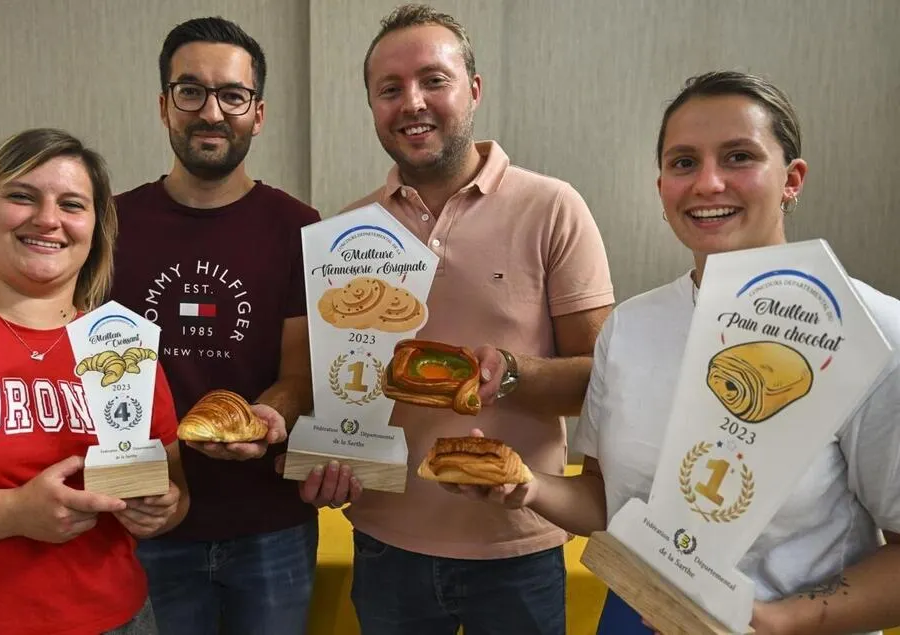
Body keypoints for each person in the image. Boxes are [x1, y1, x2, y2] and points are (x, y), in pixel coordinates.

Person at [445, 71, 900, 635]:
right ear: (662, 186)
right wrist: (527, 484)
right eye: (684, 162)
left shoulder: (873, 334)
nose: (708, 183)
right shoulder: (632, 327)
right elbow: (607, 501)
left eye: (738, 157)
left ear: (792, 179)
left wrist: (777, 621)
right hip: (636, 616)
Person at [295, 4, 615, 634]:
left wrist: (509, 375)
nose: (411, 102)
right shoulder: (349, 231)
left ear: (474, 89)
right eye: (390, 89)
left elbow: (602, 386)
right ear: (372, 106)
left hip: (518, 542)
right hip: (386, 544)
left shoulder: (552, 207)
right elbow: (341, 386)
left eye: (433, 80)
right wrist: (327, 458)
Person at [0, 128, 189, 635]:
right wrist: (14, 512)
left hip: (119, 621)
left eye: (72, 204)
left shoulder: (123, 345)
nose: (47, 219)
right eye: (22, 196)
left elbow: (174, 493)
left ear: (96, 227)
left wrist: (160, 510)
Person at [107, 16, 321, 635]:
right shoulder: (108, 226)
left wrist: (270, 414)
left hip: (270, 524)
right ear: (164, 106)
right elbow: (94, 374)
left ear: (258, 113)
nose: (211, 112)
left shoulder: (299, 227)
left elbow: (301, 372)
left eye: (232, 95)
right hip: (146, 518)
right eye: (191, 91)